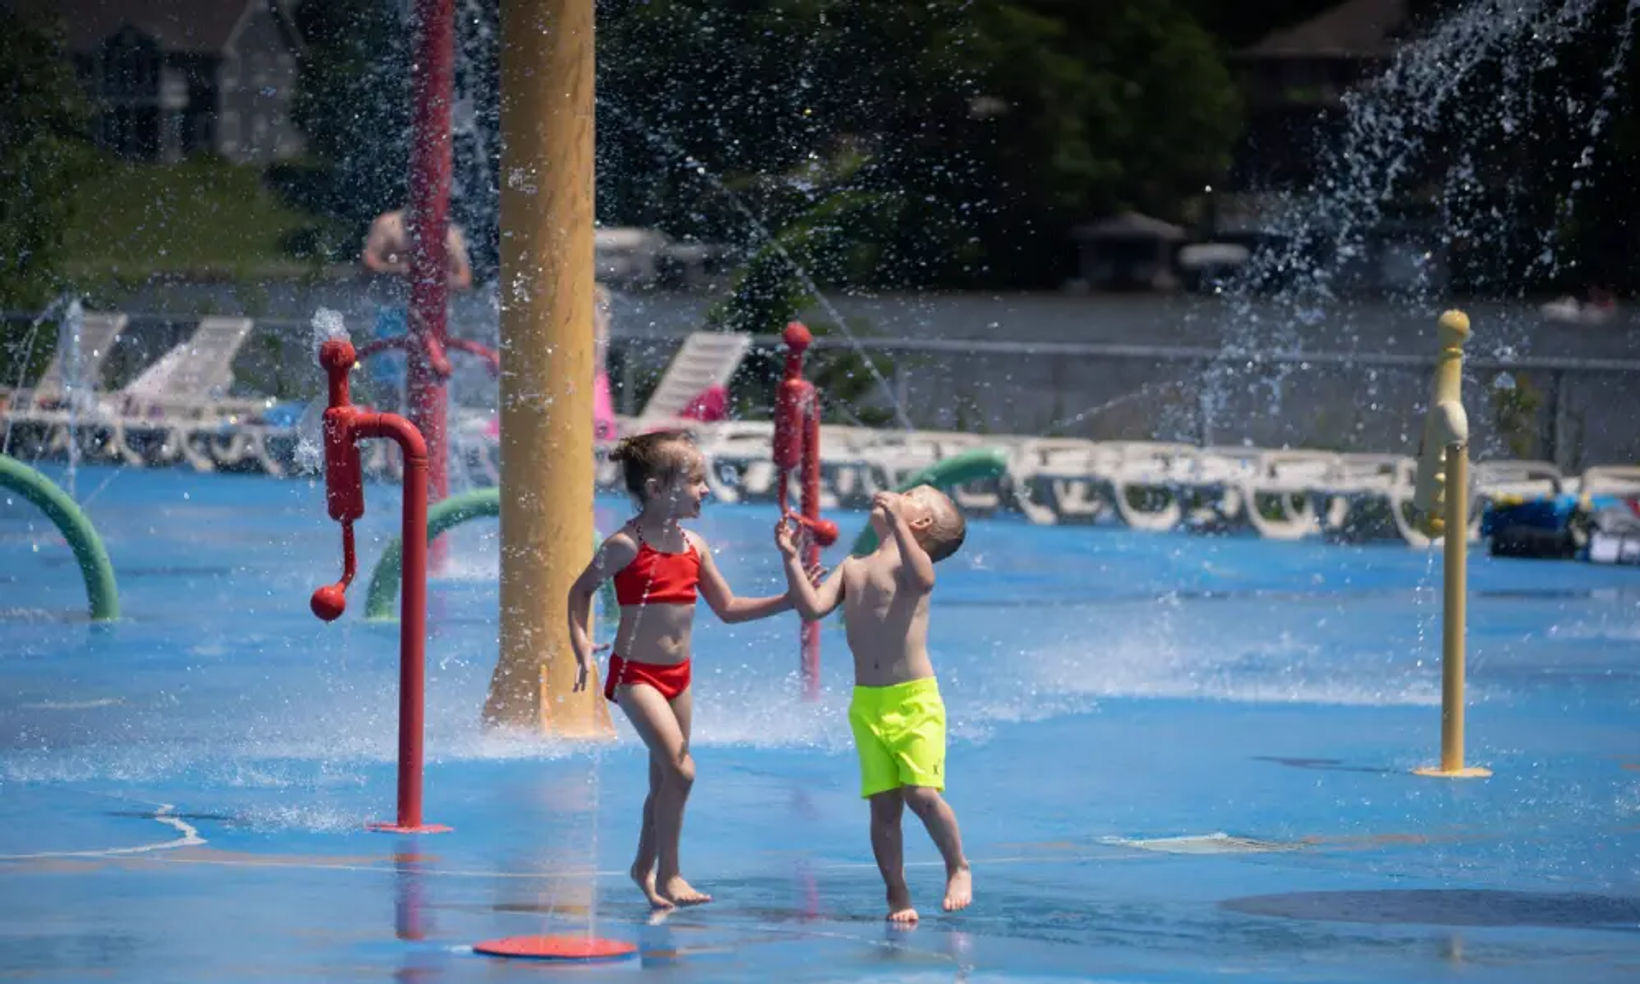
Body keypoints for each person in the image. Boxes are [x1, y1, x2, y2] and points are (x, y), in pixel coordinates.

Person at [566, 429, 807, 910]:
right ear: (656, 489)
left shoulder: (695, 546)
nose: (705, 489)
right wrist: (580, 645)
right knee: (683, 772)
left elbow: (730, 606)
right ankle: (672, 873)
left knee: (665, 780)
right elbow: (579, 592)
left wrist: (790, 599)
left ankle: (643, 866)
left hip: (679, 679)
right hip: (635, 676)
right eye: (695, 480)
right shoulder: (624, 545)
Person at [775, 486, 973, 924]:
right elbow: (812, 609)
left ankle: (957, 865)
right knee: (883, 809)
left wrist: (897, 522)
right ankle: (896, 893)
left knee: (921, 794)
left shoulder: (910, 566)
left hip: (914, 700)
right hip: (868, 704)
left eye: (911, 494)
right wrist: (790, 558)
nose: (897, 493)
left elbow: (925, 579)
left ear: (918, 525)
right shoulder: (853, 565)